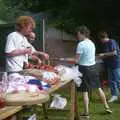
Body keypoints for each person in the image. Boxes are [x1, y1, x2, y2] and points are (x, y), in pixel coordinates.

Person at [75, 25, 112, 118]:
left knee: (85, 91)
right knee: (98, 88)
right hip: (93, 68)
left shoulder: (81, 44)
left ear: (83, 33)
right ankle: (106, 107)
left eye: (78, 34)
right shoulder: (91, 42)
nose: (77, 36)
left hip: (85, 69)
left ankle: (86, 113)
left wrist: (65, 59)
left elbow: (76, 60)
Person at [97, 31, 120, 102]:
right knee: (111, 81)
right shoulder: (105, 44)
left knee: (118, 80)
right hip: (109, 65)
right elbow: (106, 55)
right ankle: (114, 95)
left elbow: (114, 52)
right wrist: (98, 58)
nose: (101, 41)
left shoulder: (112, 42)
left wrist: (103, 54)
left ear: (103, 38)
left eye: (101, 40)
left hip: (116, 64)